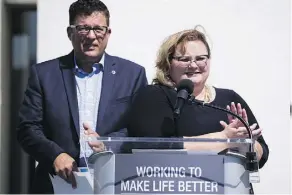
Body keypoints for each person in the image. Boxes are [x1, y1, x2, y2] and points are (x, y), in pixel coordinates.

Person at [16, 0, 147, 193]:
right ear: (70, 33)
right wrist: (55, 155)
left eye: (98, 29)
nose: (91, 36)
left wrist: (108, 143)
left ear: (108, 33)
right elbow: (27, 128)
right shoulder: (43, 74)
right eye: (83, 29)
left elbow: (141, 129)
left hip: (114, 183)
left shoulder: (133, 74)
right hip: (56, 184)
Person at [125, 27, 269, 191]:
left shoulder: (229, 98)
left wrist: (245, 145)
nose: (193, 65)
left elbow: (262, 154)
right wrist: (223, 139)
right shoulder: (154, 96)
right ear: (168, 63)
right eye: (184, 59)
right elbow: (151, 147)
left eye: (201, 58)